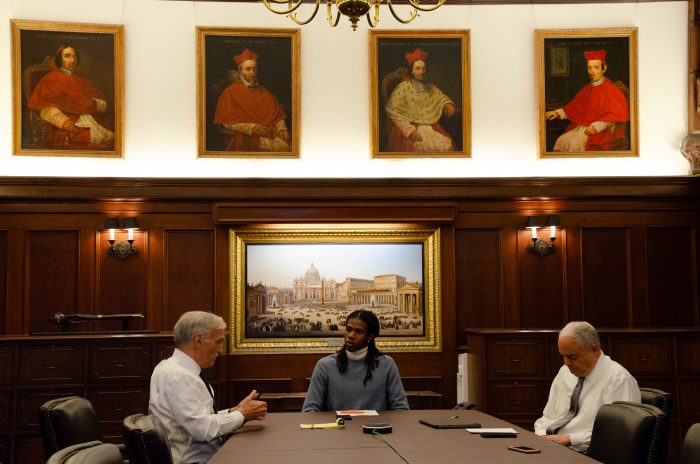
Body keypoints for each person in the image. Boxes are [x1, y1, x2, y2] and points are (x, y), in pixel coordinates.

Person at [149, 311, 267, 464]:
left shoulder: (174, 369)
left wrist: (235, 411)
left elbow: (200, 418)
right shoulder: (177, 376)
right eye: (218, 342)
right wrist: (242, 414)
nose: (220, 349)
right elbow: (202, 430)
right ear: (198, 341)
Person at [534, 321, 640, 452]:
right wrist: (541, 436)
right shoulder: (564, 372)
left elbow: (618, 434)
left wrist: (570, 439)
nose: (566, 363)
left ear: (594, 350)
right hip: (553, 448)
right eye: (563, 356)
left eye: (572, 357)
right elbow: (548, 416)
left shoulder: (618, 380)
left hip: (588, 453)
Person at [302, 309, 409, 412]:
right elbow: (309, 410)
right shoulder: (325, 365)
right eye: (348, 330)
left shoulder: (386, 364)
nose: (351, 336)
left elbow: (401, 408)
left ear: (370, 337)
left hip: (376, 429)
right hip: (338, 428)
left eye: (359, 332)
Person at [27, 45, 115, 150]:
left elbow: (103, 104)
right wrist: (63, 122)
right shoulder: (50, 79)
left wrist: (94, 103)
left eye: (74, 56)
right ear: (60, 59)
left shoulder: (83, 81)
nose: (72, 60)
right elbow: (44, 107)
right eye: (67, 56)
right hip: (69, 123)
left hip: (93, 120)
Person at [545, 49, 629, 152]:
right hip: (582, 128)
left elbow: (616, 115)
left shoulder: (612, 90)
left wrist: (597, 126)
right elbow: (575, 107)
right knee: (561, 141)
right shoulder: (587, 89)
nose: (591, 72)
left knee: (574, 145)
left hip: (602, 132)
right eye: (589, 68)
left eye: (596, 68)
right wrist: (557, 113)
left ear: (604, 69)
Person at [213, 49, 291, 152]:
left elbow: (276, 114)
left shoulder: (264, 92)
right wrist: (249, 127)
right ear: (240, 71)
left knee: (287, 148)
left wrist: (282, 128)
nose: (252, 73)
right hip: (246, 136)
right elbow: (225, 122)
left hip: (268, 134)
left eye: (254, 69)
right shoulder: (229, 92)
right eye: (248, 69)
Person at [384, 47, 456, 152]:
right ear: (411, 71)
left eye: (423, 69)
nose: (422, 72)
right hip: (412, 128)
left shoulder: (429, 86)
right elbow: (393, 111)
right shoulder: (404, 87)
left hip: (431, 126)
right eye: (418, 68)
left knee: (448, 143)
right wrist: (409, 131)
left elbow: (440, 97)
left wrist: (447, 103)